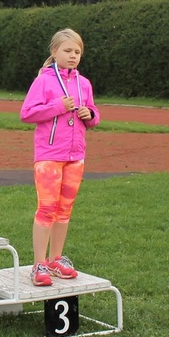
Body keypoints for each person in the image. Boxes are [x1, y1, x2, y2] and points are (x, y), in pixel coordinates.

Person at [20, 28, 100, 286]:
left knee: (64, 210)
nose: (73, 55)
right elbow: (27, 113)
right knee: (47, 208)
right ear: (54, 52)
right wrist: (58, 106)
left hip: (76, 156)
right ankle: (39, 264)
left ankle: (56, 259)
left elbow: (93, 112)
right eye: (67, 50)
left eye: (77, 52)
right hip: (49, 156)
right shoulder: (43, 81)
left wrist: (90, 115)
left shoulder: (84, 83)